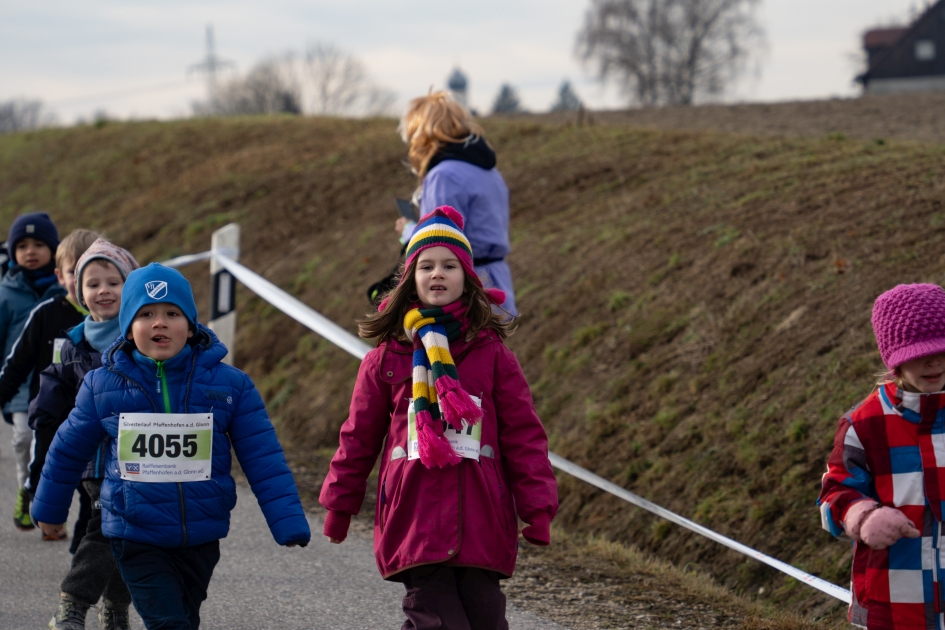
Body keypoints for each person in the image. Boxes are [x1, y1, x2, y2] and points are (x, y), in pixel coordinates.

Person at [33, 263, 311, 630]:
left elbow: (263, 458)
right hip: (134, 531)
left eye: (172, 313)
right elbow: (68, 451)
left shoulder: (231, 386)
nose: (159, 322)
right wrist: (49, 510)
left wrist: (287, 520)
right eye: (145, 314)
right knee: (168, 623)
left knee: (184, 618)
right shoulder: (103, 386)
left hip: (201, 532)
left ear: (191, 324)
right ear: (129, 329)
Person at [321, 206, 557, 629]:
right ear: (410, 277)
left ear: (467, 278)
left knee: (486, 619)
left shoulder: (493, 356)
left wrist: (537, 509)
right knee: (436, 620)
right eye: (426, 265)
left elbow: (525, 437)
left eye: (450, 265)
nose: (438, 274)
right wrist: (340, 505)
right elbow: (357, 438)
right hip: (415, 516)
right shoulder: (385, 361)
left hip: (482, 518)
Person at [818, 282, 945, 630]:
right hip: (894, 604)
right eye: (919, 353)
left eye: (943, 349)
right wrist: (864, 517)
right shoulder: (864, 425)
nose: (934, 361)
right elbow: (833, 497)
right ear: (894, 361)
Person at [35, 239, 138, 630]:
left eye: (114, 282)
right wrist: (43, 415)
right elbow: (53, 386)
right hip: (94, 461)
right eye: (93, 284)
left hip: (139, 458)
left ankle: (115, 606)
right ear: (80, 293)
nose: (103, 290)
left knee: (131, 538)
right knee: (104, 527)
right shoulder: (73, 342)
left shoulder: (142, 336)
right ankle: (72, 603)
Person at [0, 228, 99, 541]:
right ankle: (43, 510)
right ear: (60, 276)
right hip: (51, 415)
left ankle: (87, 546)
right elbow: (18, 362)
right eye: (75, 272)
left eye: (93, 272)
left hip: (96, 419)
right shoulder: (46, 314)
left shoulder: (116, 321)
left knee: (92, 487)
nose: (84, 280)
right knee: (44, 468)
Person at [396, 91, 518, 317]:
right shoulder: (489, 171)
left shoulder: (443, 176)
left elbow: (438, 242)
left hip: (464, 289)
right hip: (497, 280)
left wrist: (409, 232)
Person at [0, 212, 64, 530]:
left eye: (39, 243)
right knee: (24, 439)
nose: (30, 250)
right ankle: (27, 488)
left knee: (51, 447)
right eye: (22, 245)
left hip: (56, 386)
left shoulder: (66, 292)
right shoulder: (6, 293)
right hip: (17, 384)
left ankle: (50, 506)